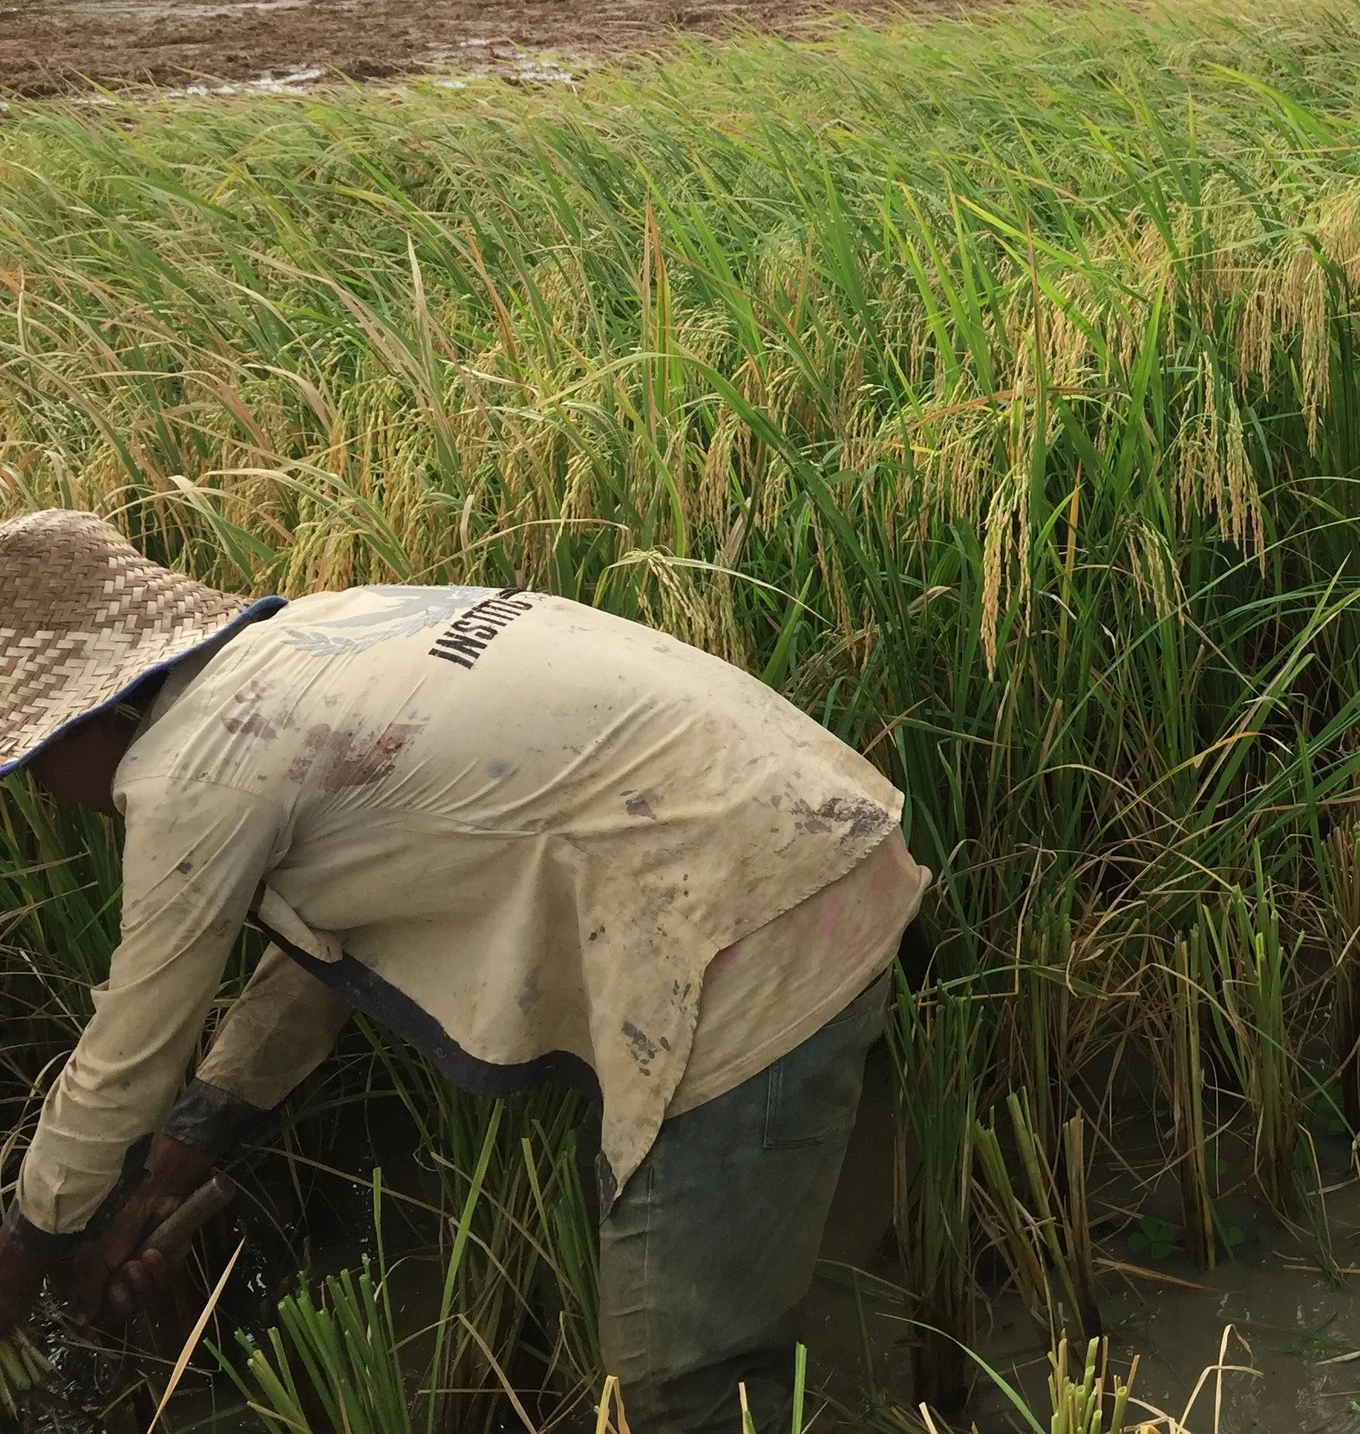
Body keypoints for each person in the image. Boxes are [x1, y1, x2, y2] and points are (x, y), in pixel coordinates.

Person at [0, 510, 927, 1434]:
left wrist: (22, 1266)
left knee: (681, 1389)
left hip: (754, 933)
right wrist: (171, 1168)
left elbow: (123, 1063)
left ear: (93, 712)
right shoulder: (317, 637)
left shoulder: (193, 772)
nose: (43, 791)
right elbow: (312, 971)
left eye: (33, 761)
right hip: (830, 841)